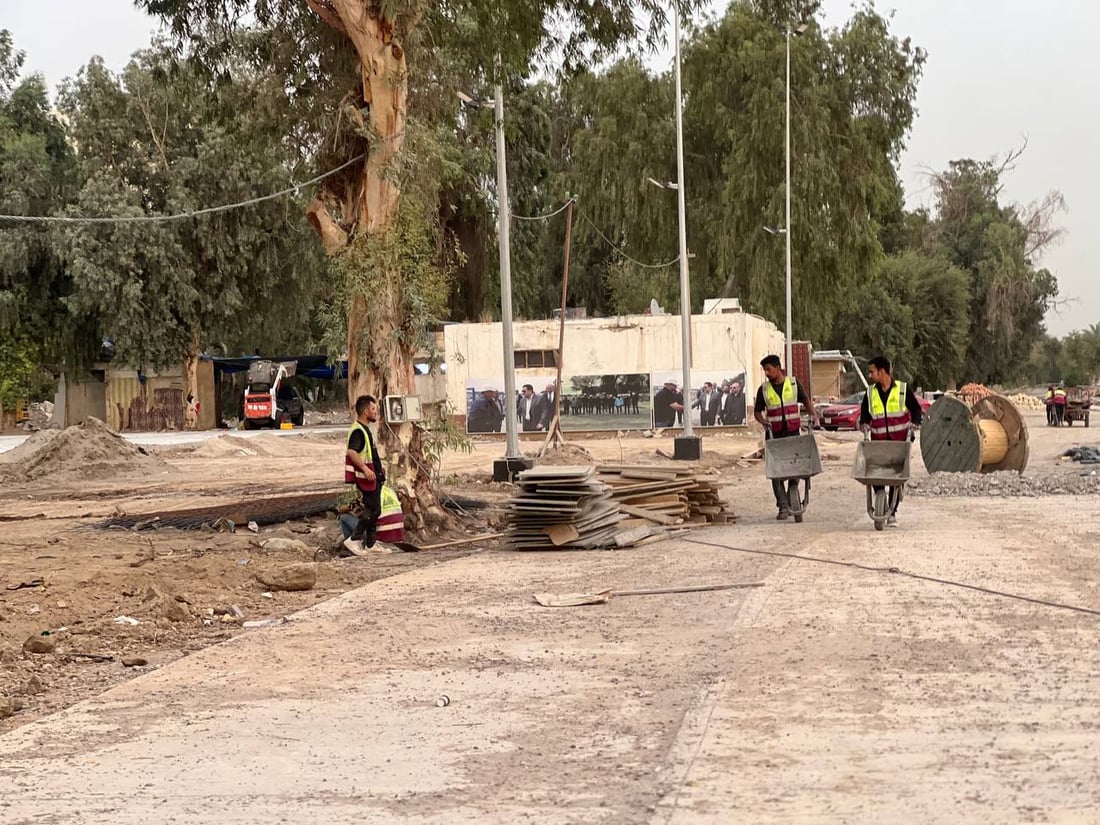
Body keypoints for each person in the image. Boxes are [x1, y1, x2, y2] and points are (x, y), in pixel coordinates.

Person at [858, 355, 924, 528]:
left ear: (882, 371)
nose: (870, 375)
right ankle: (881, 497)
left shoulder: (902, 390)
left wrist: (915, 423)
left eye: (872, 372)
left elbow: (916, 409)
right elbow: (865, 413)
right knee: (875, 475)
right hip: (878, 444)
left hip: (898, 443)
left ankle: (892, 512)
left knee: (896, 477)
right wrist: (864, 424)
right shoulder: (871, 392)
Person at [754, 355, 819, 520]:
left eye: (769, 369)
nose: (767, 373)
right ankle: (783, 506)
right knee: (776, 472)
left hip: (793, 435)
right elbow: (757, 411)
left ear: (778, 367)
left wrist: (815, 417)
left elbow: (806, 401)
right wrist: (764, 422)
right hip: (774, 436)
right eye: (765, 370)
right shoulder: (764, 390)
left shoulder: (793, 384)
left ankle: (792, 495)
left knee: (794, 469)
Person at [343, 395, 387, 555]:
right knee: (373, 510)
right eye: (374, 409)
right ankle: (354, 539)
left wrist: (379, 469)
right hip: (367, 478)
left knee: (375, 509)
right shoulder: (358, 431)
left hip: (375, 477)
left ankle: (371, 544)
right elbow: (352, 452)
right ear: (365, 411)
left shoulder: (365, 429)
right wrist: (366, 470)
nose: (376, 413)